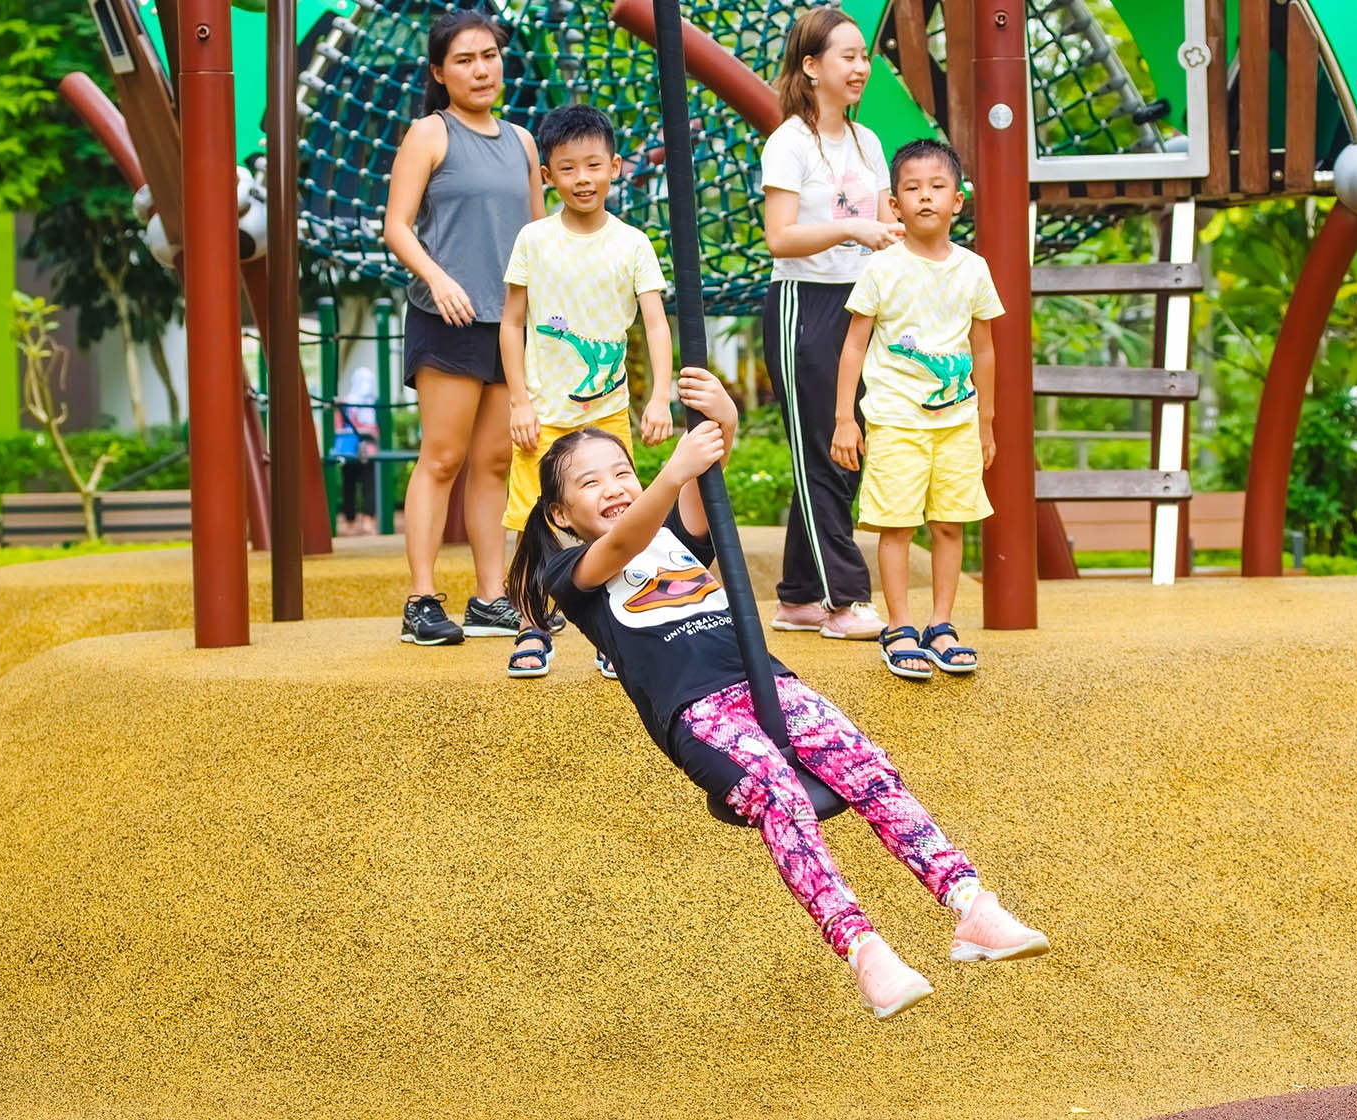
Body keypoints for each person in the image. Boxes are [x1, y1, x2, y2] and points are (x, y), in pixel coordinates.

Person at [506, 366, 1050, 1021]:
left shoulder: (677, 541)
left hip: (767, 681)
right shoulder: (574, 573)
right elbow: (625, 540)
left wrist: (723, 417)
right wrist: (670, 471)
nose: (615, 488)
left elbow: (704, 471)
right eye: (590, 483)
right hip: (698, 712)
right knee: (777, 792)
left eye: (621, 472)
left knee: (868, 767)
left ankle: (971, 906)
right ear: (562, 514)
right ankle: (864, 949)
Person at [384, 8, 543, 646]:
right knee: (443, 458)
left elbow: (536, 237)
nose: (481, 70)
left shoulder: (524, 142)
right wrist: (440, 277)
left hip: (505, 327)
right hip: (444, 318)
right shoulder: (429, 133)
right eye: (464, 60)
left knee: (494, 461)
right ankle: (422, 600)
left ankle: (490, 597)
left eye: (489, 57)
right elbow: (396, 226)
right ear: (439, 73)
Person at [500, 104, 674, 678]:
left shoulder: (632, 243)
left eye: (593, 165)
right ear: (547, 176)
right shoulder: (534, 239)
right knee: (531, 520)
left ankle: (613, 630)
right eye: (567, 168)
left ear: (615, 167)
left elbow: (654, 322)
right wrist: (518, 399)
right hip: (543, 414)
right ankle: (531, 627)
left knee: (617, 516)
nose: (582, 179)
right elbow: (512, 323)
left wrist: (659, 395)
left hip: (607, 417)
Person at [831, 139, 1001, 680]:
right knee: (897, 525)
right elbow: (854, 345)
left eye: (937, 186)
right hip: (896, 419)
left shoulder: (973, 269)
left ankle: (942, 624)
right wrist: (844, 418)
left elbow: (984, 349)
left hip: (957, 421)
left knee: (950, 524)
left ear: (957, 200)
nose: (925, 196)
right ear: (895, 205)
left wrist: (986, 422)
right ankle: (900, 625)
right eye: (911, 188)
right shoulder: (883, 268)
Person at [759, 6, 902, 642]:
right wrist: (850, 227)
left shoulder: (868, 143)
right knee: (823, 449)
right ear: (812, 67)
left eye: (863, 56)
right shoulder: (789, 142)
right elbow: (779, 239)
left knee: (844, 452)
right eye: (846, 56)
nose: (860, 67)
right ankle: (845, 599)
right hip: (803, 305)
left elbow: (883, 233)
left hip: (860, 304)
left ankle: (796, 598)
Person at [335, 366, 380, 537]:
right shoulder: (347, 403)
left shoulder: (371, 404)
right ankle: (352, 521)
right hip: (355, 450)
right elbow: (338, 428)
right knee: (352, 485)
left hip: (365, 450)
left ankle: (365, 519)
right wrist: (365, 431)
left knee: (364, 485)